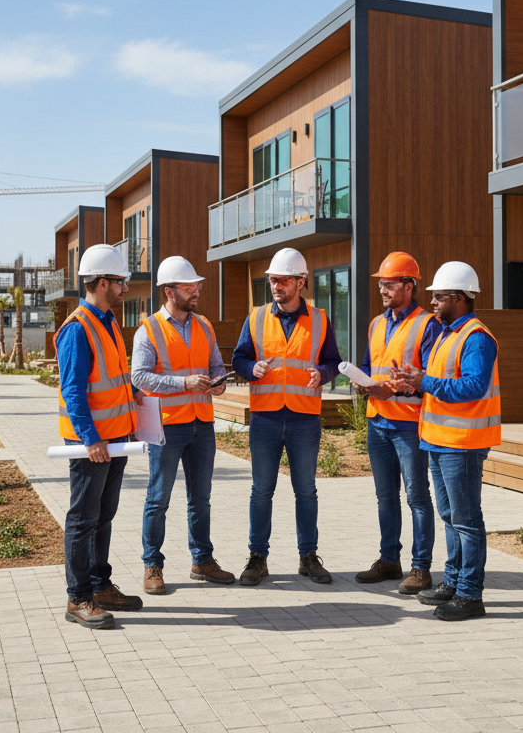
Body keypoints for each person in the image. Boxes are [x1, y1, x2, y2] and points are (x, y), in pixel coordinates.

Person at [391, 261, 499, 621]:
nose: (432, 302)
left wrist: (425, 382)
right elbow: (436, 382)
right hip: (439, 440)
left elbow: (472, 387)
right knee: (451, 517)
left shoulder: (476, 338)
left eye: (438, 296)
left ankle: (470, 595)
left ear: (458, 298)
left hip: (463, 442)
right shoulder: (448, 333)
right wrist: (415, 379)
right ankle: (452, 583)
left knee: (467, 521)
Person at [230, 247, 342, 586]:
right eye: (273, 280)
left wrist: (321, 375)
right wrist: (252, 367)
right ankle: (257, 557)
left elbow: (333, 361)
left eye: (283, 280)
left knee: (306, 490)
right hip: (264, 417)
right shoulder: (256, 317)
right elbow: (238, 360)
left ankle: (308, 556)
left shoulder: (320, 319)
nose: (276, 286)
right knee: (261, 490)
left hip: (304, 418)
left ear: (300, 282)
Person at [131, 256, 235, 593]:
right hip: (166, 427)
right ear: (169, 291)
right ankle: (152, 566)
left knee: (200, 499)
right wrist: (184, 383)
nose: (197, 290)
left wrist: (219, 382)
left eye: (197, 285)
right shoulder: (148, 330)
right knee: (158, 498)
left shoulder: (204, 325)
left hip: (202, 425)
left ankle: (202, 559)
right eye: (189, 286)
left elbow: (217, 366)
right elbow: (140, 377)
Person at [55, 243, 144, 630]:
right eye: (121, 282)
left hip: (115, 440)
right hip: (91, 444)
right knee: (82, 518)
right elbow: (73, 389)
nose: (126, 288)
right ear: (102, 282)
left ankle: (100, 585)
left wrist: (133, 395)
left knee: (103, 516)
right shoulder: (78, 328)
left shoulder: (108, 322)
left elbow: (110, 379)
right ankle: (78, 598)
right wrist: (90, 439)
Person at [349, 251, 439, 595]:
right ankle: (390, 560)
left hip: (408, 425)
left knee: (417, 497)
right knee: (385, 497)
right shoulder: (376, 323)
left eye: (389, 284)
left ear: (409, 285)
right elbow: (370, 365)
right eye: (381, 284)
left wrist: (393, 388)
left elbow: (429, 376)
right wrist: (362, 381)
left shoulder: (427, 324)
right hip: (378, 422)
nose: (383, 289)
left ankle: (421, 568)